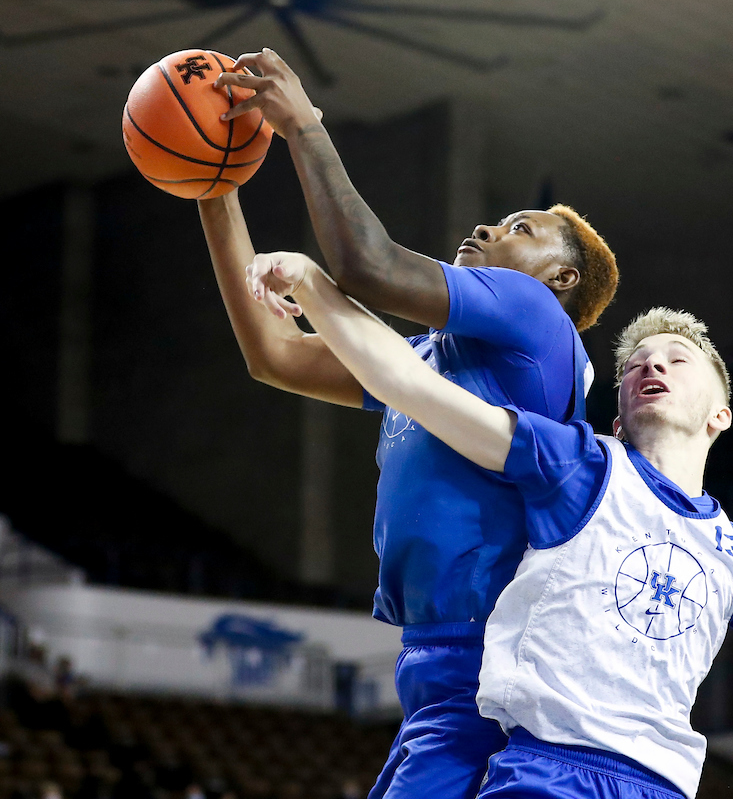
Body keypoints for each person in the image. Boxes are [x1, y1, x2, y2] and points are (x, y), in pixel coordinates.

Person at [245, 255, 733, 799]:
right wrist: (313, 285)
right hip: (545, 769)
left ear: (722, 415)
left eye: (678, 360)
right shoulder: (578, 466)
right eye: (637, 364)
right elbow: (412, 385)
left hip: (660, 784)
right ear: (616, 414)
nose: (653, 364)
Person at [198, 49, 619, 799]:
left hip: (495, 658)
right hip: (434, 657)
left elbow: (369, 268)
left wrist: (305, 128)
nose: (490, 226)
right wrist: (212, 188)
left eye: (521, 228)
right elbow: (274, 355)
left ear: (562, 279)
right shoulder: (421, 360)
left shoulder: (536, 318)